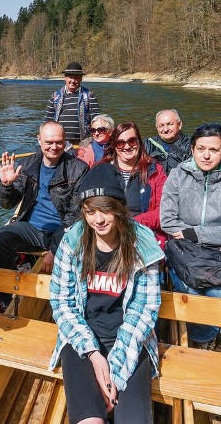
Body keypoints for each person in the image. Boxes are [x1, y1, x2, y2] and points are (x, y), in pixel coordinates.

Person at [49, 163, 164, 424]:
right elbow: (62, 302)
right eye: (90, 212)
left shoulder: (142, 245)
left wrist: (115, 374)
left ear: (119, 208)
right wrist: (94, 355)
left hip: (131, 340)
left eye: (106, 210)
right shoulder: (72, 242)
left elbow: (143, 313)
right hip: (81, 339)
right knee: (91, 420)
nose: (98, 220)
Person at [160, 124, 221, 354]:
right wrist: (216, 234)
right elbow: (168, 221)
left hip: (219, 254)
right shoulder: (178, 176)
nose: (206, 155)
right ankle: (205, 335)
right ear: (192, 149)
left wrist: (195, 233)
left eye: (213, 149)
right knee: (190, 294)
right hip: (186, 252)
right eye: (201, 148)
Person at [0, 121, 88, 311]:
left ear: (65, 141)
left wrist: (54, 251)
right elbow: (7, 204)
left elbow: (74, 217)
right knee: (0, 238)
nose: (54, 147)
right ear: (39, 140)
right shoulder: (27, 165)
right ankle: (2, 297)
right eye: (49, 142)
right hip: (33, 229)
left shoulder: (79, 169)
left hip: (64, 233)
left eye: (59, 142)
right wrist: (6, 185)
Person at [101, 122, 168, 249]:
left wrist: (133, 223)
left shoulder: (155, 171)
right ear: (114, 146)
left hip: (144, 231)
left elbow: (164, 211)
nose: (127, 146)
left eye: (132, 141)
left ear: (139, 143)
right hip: (107, 231)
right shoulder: (102, 170)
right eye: (120, 143)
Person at [45, 62, 100, 143]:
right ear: (65, 78)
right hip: (59, 144)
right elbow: (47, 121)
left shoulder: (89, 96)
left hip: (82, 143)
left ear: (81, 78)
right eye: (70, 77)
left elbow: (96, 120)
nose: (73, 81)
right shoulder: (55, 96)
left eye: (76, 77)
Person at [143, 109, 191, 174]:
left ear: (179, 125)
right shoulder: (147, 144)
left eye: (170, 124)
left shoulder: (190, 145)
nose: (165, 129)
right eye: (161, 126)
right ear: (157, 127)